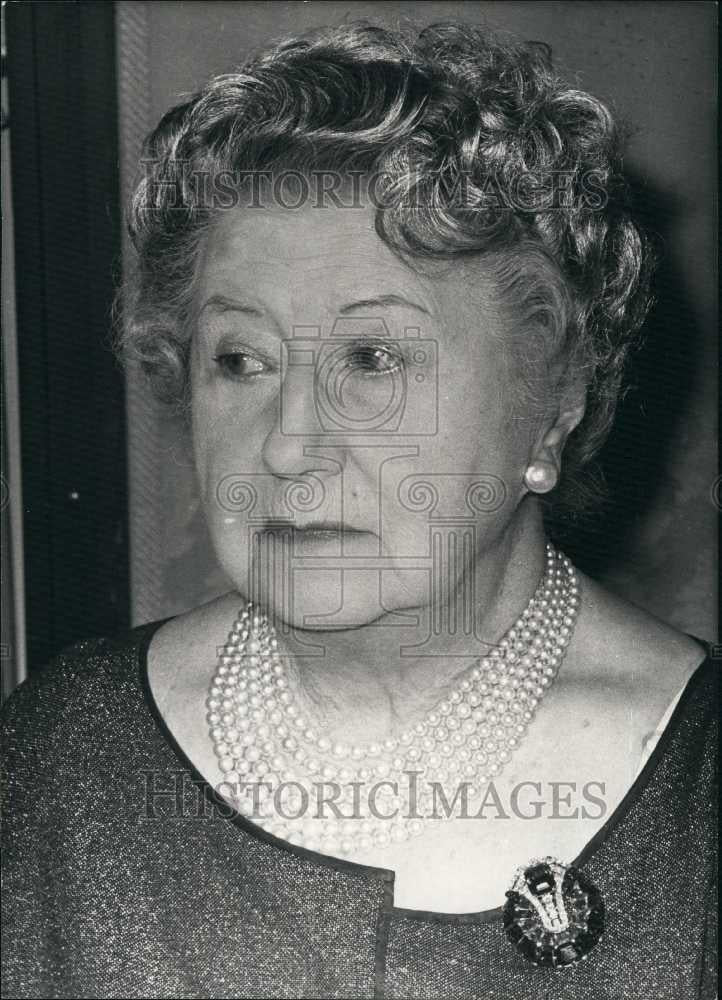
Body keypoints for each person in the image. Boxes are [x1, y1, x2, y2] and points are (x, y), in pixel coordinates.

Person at [1, 19, 717, 1000]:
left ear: (553, 412)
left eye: (372, 360)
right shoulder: (59, 760)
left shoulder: (698, 802)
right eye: (240, 360)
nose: (289, 443)